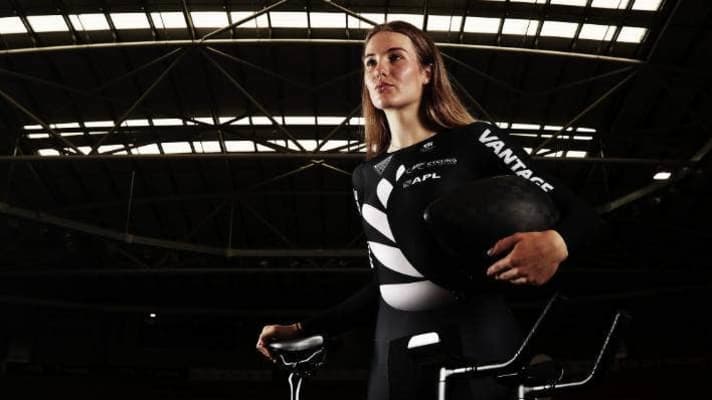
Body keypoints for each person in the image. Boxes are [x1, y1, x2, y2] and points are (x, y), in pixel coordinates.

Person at [256, 21, 599, 400]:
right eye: (370, 62)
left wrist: (557, 243)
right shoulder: (364, 177)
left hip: (476, 338)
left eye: (395, 58)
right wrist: (305, 328)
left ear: (426, 72)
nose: (380, 70)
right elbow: (387, 283)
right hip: (393, 351)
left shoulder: (476, 139)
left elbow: (581, 215)